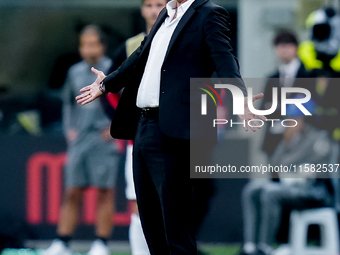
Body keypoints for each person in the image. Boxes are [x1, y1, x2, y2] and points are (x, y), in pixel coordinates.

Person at [76, 0, 265, 254]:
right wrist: (106, 84)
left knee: (175, 226)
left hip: (173, 129)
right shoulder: (166, 14)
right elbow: (139, 55)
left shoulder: (208, 13)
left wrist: (240, 97)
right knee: (151, 225)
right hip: (142, 127)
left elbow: (225, 58)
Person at [43, 25, 119, 255]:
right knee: (72, 191)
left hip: (104, 140)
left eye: (93, 43)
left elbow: (125, 100)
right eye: (84, 44)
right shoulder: (74, 72)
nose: (88, 49)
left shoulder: (115, 69)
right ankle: (62, 242)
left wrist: (115, 128)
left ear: (103, 46)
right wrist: (69, 128)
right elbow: (67, 101)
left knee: (105, 192)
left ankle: (101, 244)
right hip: (80, 140)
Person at [101, 0, 168, 254]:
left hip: (173, 134)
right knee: (138, 201)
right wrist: (120, 120)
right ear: (142, 10)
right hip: (139, 134)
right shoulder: (130, 46)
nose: (154, 10)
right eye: (149, 5)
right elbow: (107, 86)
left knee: (172, 201)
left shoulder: (181, 39)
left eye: (159, 4)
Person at [240, 100, 335, 255]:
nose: (290, 122)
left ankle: (265, 247)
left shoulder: (319, 138)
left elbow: (295, 165)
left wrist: (289, 148)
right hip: (291, 187)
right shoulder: (290, 138)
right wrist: (285, 142)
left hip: (315, 191)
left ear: (306, 119)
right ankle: (249, 247)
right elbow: (275, 165)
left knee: (270, 194)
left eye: (295, 118)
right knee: (251, 190)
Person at [261, 30, 313, 157]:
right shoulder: (272, 78)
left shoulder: (309, 75)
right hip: (275, 136)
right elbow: (263, 107)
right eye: (279, 46)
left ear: (296, 48)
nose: (283, 49)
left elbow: (312, 104)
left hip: (303, 135)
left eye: (287, 45)